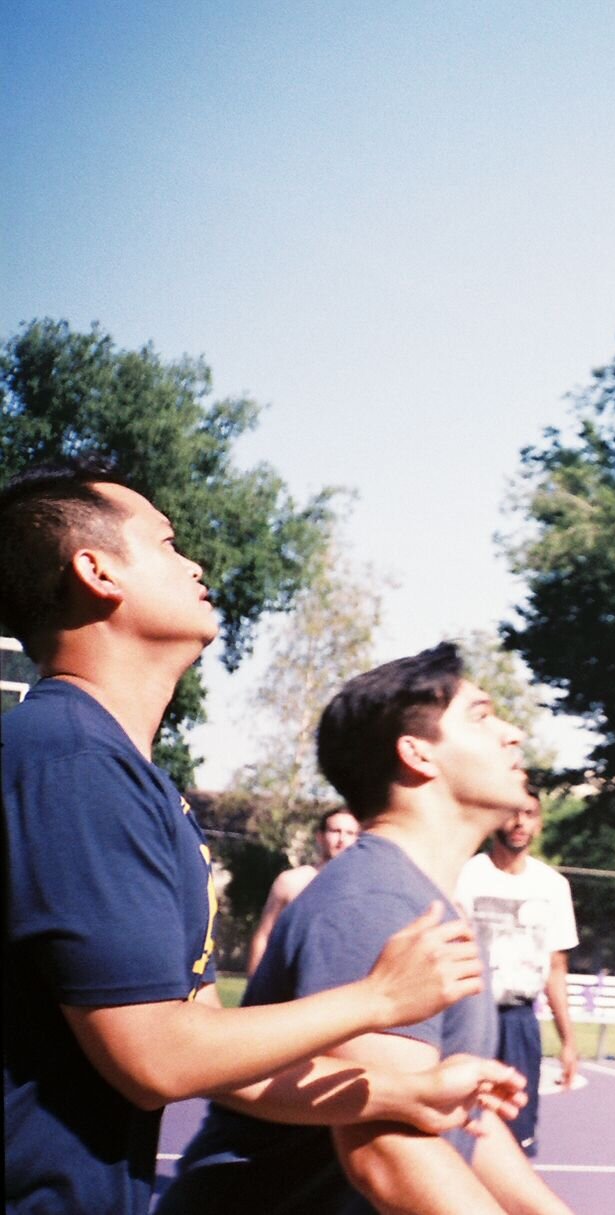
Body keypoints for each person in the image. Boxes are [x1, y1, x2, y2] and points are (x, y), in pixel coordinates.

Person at [1, 464, 526, 1215]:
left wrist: (404, 1088)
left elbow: (209, 1044)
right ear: (97, 569)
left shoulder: (133, 777)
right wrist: (377, 997)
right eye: (168, 542)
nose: (195, 564)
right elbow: (154, 1056)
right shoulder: (71, 761)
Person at [162, 643, 574, 1214]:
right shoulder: (375, 902)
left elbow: (456, 1118)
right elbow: (388, 1156)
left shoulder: (426, 899)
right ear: (417, 755)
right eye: (480, 716)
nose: (512, 734)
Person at [455, 795, 582, 1157]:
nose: (519, 823)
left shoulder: (552, 886)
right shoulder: (464, 876)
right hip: (468, 1018)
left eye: (529, 815)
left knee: (517, 1130)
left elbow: (556, 969)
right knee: (462, 1127)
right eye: (511, 814)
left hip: (519, 1022)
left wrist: (568, 1041)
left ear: (539, 823)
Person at [248, 808, 362, 975]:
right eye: (335, 831)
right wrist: (253, 988)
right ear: (320, 837)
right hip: (290, 983)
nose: (342, 839)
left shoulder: (365, 888)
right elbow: (264, 936)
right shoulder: (291, 881)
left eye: (350, 833)